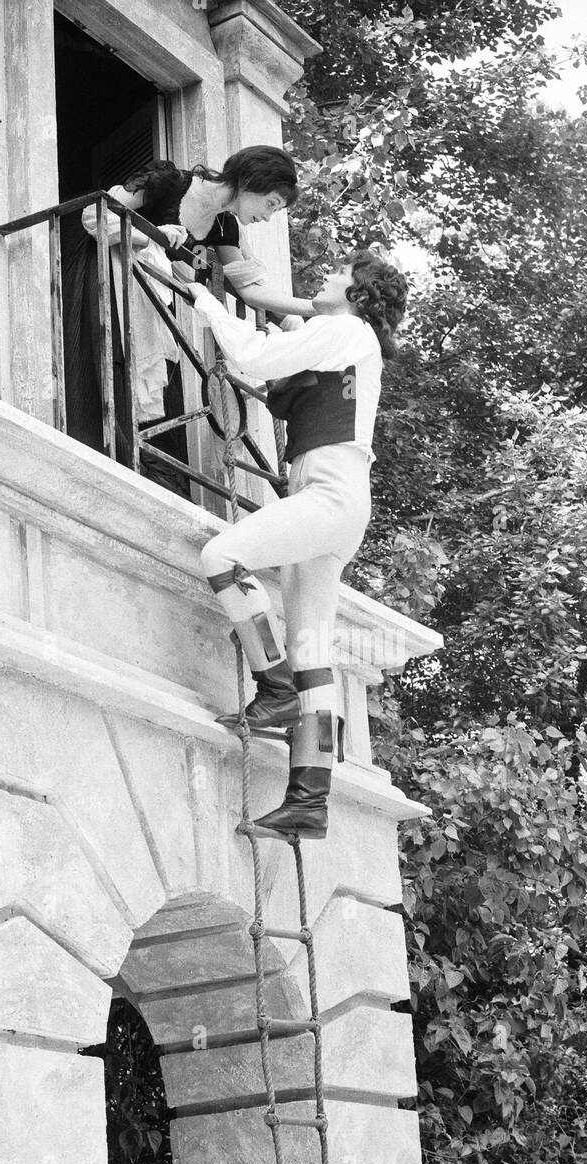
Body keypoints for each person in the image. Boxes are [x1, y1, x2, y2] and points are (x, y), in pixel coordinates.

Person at [187, 250, 408, 840]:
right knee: (315, 655)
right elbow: (285, 330)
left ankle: (273, 684)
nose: (325, 277)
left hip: (329, 493)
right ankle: (309, 801)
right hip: (337, 498)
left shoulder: (345, 329)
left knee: (222, 558)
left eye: (339, 275)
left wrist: (202, 297)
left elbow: (255, 357)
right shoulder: (345, 338)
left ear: (358, 295)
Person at [62, 147, 314, 494]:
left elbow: (251, 291)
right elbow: (93, 216)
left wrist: (312, 310)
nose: (268, 217)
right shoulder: (168, 181)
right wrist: (152, 234)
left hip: (149, 309)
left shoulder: (226, 226)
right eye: (271, 204)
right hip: (103, 282)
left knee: (152, 395)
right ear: (253, 181)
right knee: (103, 377)